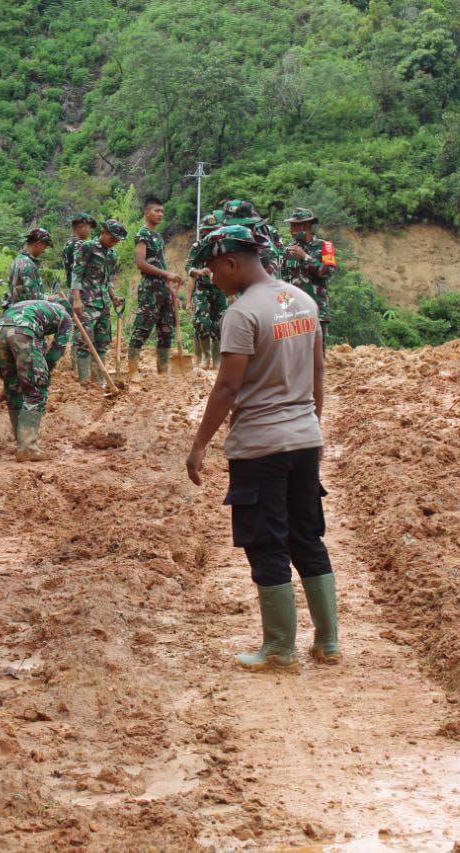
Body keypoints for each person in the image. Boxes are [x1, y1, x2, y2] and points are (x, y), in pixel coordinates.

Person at [185, 225, 340, 673]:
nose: (212, 277)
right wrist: (314, 427)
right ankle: (328, 642)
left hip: (260, 447)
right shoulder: (304, 302)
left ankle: (278, 649)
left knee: (267, 542)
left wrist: (199, 444)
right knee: (307, 537)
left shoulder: (242, 314)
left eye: (214, 269)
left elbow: (228, 386)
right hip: (303, 439)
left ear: (232, 262)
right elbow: (317, 375)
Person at [0, 297, 74, 461]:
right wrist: (44, 372)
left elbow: (39, 344)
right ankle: (28, 448)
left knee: (12, 387)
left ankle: (20, 441)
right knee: (36, 391)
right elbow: (57, 349)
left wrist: (12, 381)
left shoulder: (38, 308)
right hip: (24, 330)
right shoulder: (65, 316)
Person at [127, 196, 185, 376]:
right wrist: (167, 274)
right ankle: (132, 372)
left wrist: (170, 288)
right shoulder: (142, 234)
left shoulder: (158, 237)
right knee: (142, 329)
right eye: (156, 211)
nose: (160, 214)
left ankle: (163, 371)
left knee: (166, 330)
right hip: (150, 290)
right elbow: (141, 263)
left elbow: (160, 264)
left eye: (162, 211)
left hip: (164, 290)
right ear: (146, 212)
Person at [68, 219, 127, 383]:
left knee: (102, 342)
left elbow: (108, 280)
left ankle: (99, 381)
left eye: (117, 240)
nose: (114, 242)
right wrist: (77, 299)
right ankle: (85, 382)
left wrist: (114, 296)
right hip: (86, 303)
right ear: (103, 232)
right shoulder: (86, 247)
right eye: (112, 238)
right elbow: (76, 274)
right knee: (84, 342)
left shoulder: (112, 255)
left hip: (104, 304)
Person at [281, 208, 337, 339]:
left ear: (305, 226)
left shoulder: (325, 246)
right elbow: (283, 281)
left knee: (317, 357)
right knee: (295, 357)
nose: (291, 231)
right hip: (294, 314)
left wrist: (305, 257)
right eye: (291, 227)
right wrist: (283, 309)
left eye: (294, 227)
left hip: (317, 312)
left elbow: (327, 272)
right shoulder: (290, 250)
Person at [185, 212, 226, 369]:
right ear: (204, 231)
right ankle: (205, 357)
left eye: (214, 229)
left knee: (220, 323)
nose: (212, 233)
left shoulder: (224, 247)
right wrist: (197, 272)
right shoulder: (198, 247)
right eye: (209, 230)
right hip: (202, 289)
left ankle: (217, 360)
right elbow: (188, 267)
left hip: (221, 288)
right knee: (202, 323)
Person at [4, 228, 53, 307]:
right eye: (45, 246)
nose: (44, 250)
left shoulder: (18, 260)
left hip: (16, 309)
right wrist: (51, 298)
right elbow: (33, 297)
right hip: (25, 313)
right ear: (38, 244)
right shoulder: (27, 264)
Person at [62, 213, 98, 290]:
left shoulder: (68, 243)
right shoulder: (80, 245)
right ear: (82, 227)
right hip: (81, 291)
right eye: (89, 228)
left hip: (72, 288)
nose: (89, 231)